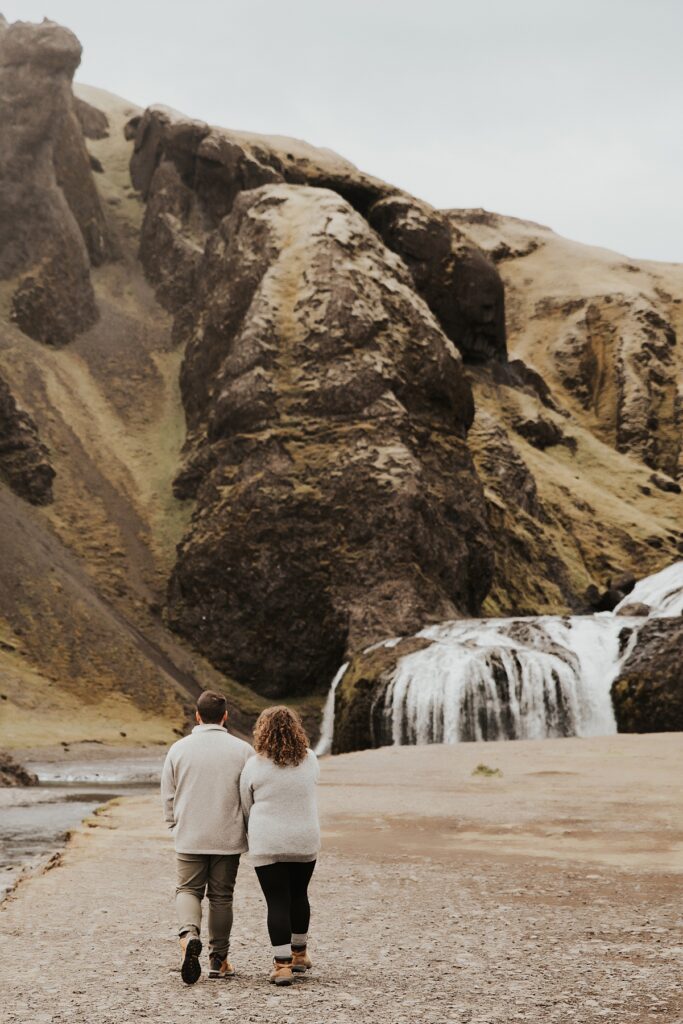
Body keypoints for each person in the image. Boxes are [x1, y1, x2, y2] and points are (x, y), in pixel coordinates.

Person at [161, 689, 253, 984]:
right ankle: (219, 961)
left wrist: (173, 825)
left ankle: (189, 936)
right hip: (228, 835)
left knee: (188, 890)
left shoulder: (178, 749)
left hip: (190, 832)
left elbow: (168, 794)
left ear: (197, 715)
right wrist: (248, 829)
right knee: (221, 897)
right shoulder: (243, 750)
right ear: (225, 717)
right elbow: (249, 795)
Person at [240, 706, 321, 986]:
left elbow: (245, 804)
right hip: (305, 838)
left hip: (268, 841)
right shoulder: (310, 759)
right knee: (299, 895)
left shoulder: (254, 764)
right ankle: (300, 955)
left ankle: (282, 965)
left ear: (262, 730)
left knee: (277, 901)